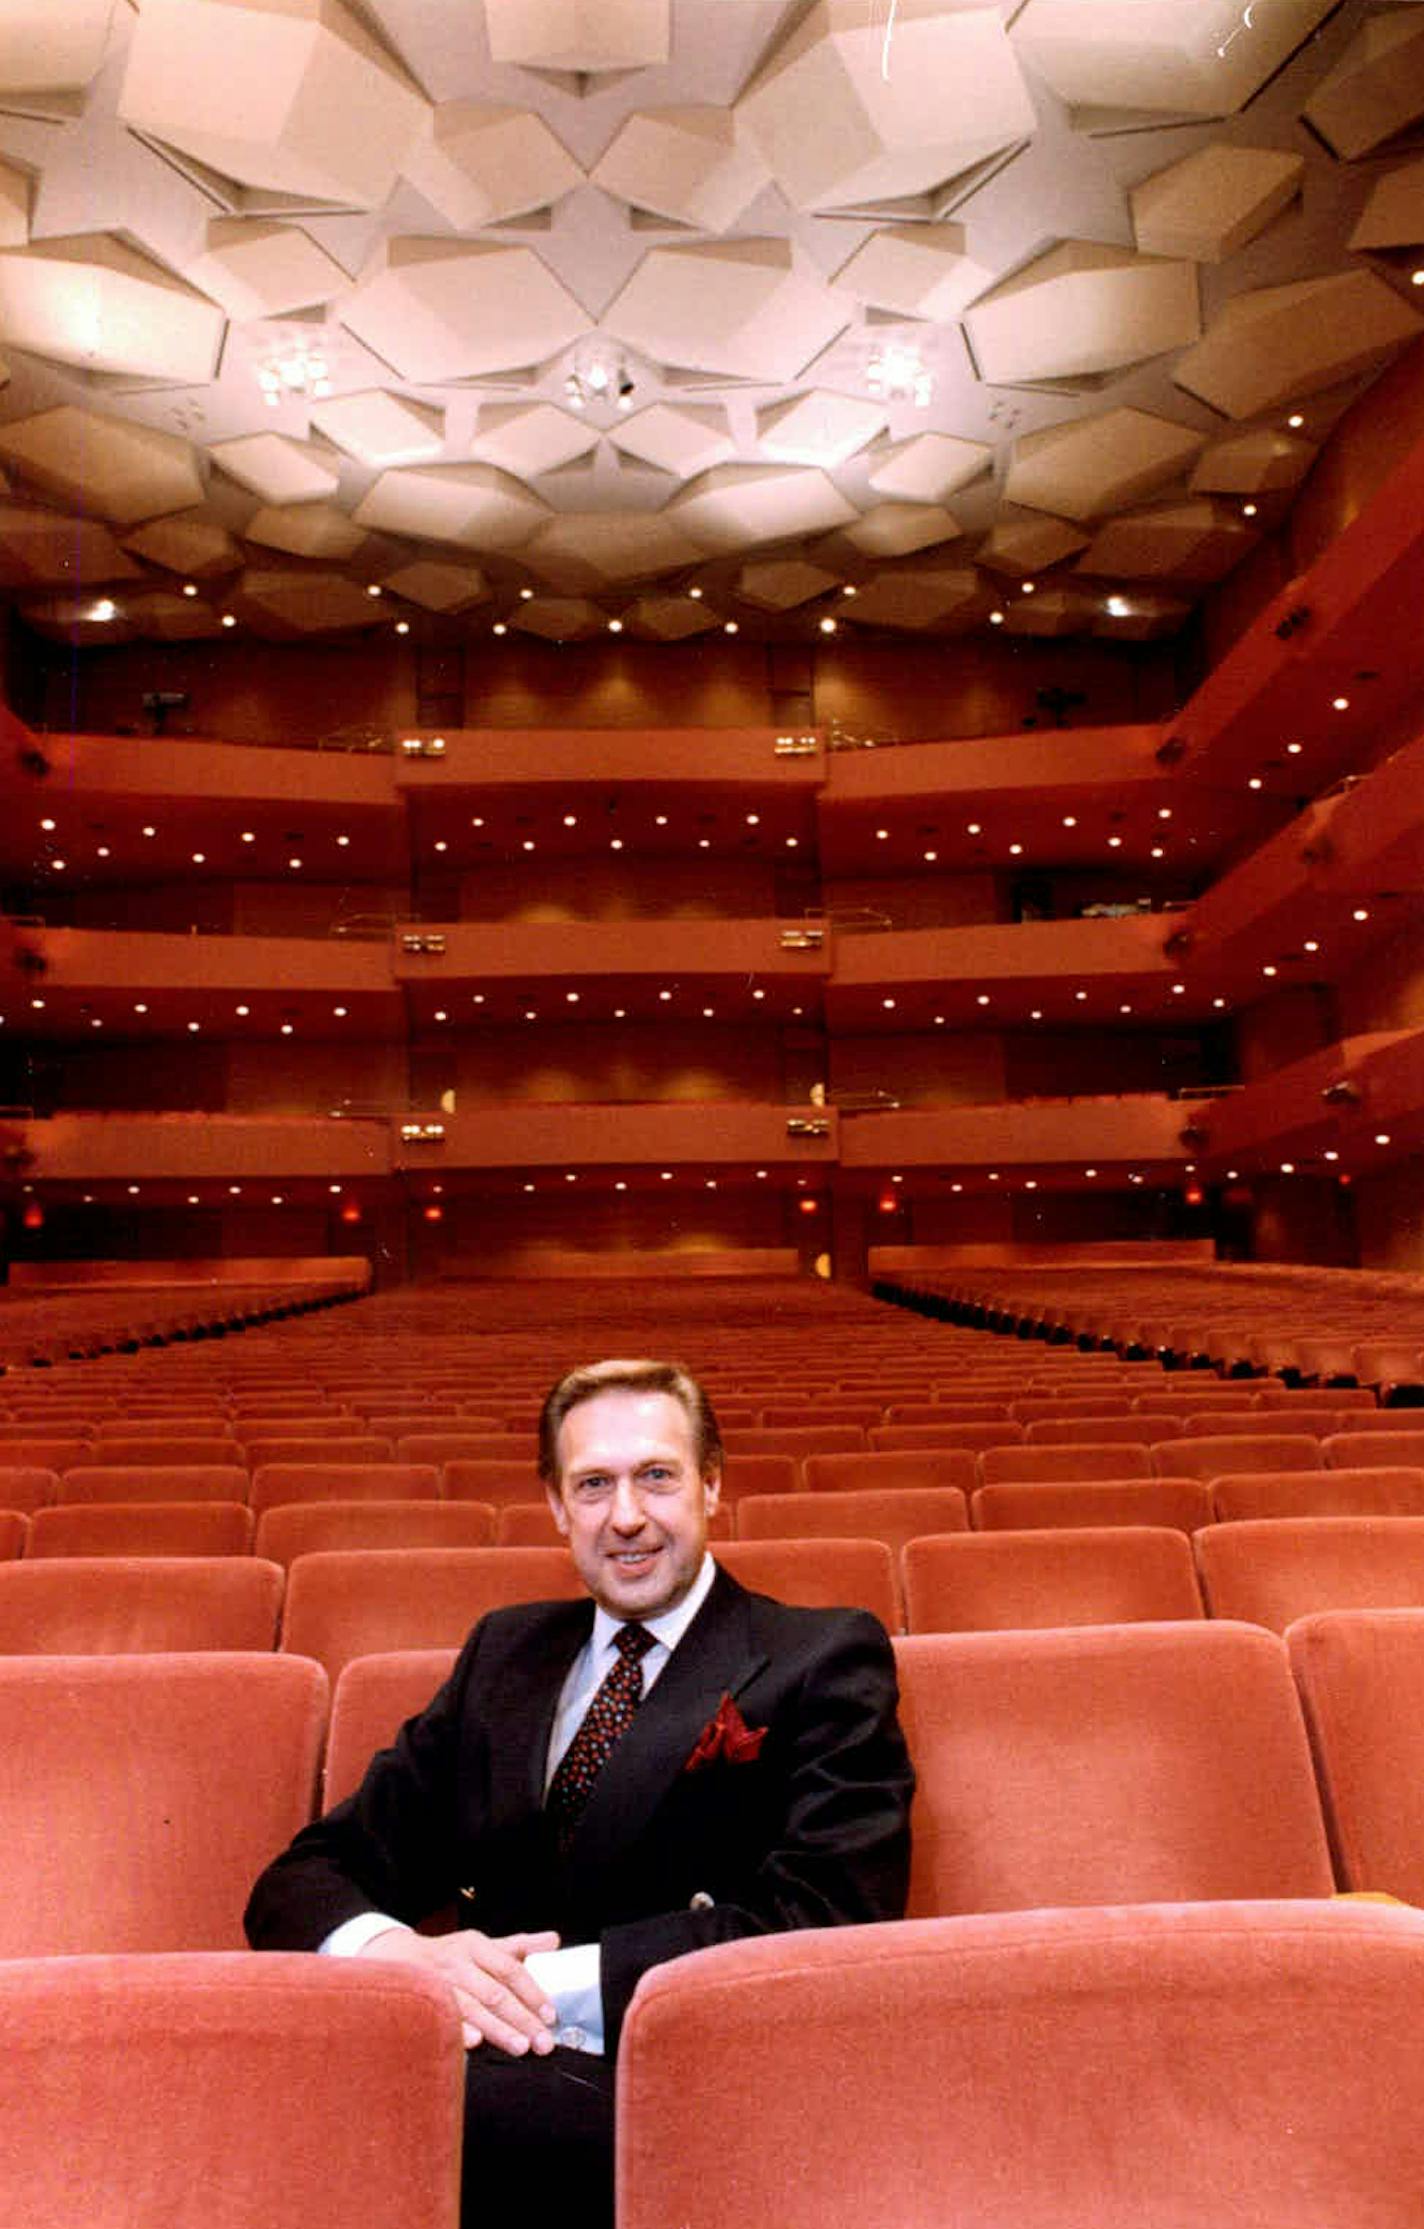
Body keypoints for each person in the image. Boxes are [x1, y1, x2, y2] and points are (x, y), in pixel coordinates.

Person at [246, 1357, 914, 2225]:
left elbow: (831, 1913)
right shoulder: (503, 1654)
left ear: (712, 1485)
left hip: (688, 2071)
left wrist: (518, 1988)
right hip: (480, 2073)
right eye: (593, 1484)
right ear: (558, 1507)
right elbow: (305, 1876)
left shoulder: (819, 1654)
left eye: (657, 1477)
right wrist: (398, 1959)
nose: (626, 1516)